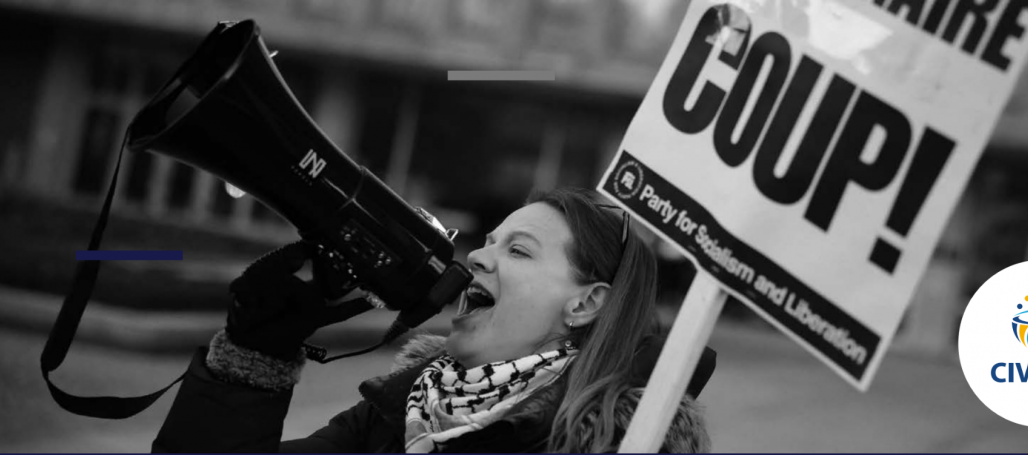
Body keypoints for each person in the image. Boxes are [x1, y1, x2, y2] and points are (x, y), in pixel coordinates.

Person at [152, 187, 715, 453]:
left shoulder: (612, 447)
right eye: (488, 241)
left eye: (518, 251)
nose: (478, 257)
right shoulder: (401, 409)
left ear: (586, 304)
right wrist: (252, 360)